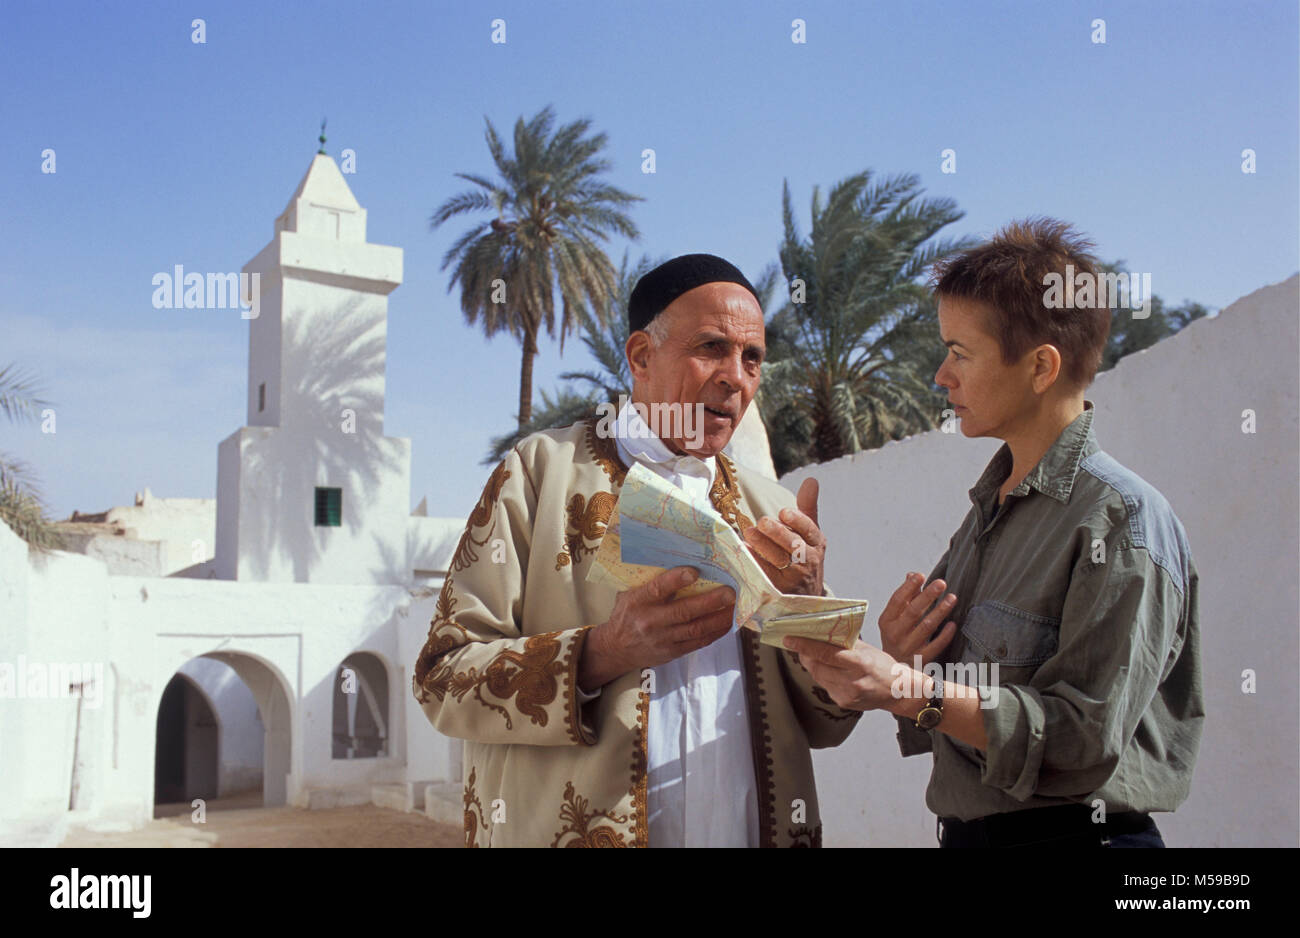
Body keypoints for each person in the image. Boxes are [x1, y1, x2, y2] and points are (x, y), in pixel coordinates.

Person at [413, 253, 860, 847]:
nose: (736, 377)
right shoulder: (538, 475)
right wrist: (602, 652)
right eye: (711, 347)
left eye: (752, 357)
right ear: (641, 356)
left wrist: (811, 614)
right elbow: (442, 679)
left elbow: (825, 722)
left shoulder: (770, 507)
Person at [784, 219, 1204, 848]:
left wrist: (909, 689)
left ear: (1040, 367)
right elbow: (953, 708)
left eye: (960, 352)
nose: (940, 375)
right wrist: (900, 655)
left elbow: (1081, 740)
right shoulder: (990, 510)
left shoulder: (1121, 522)